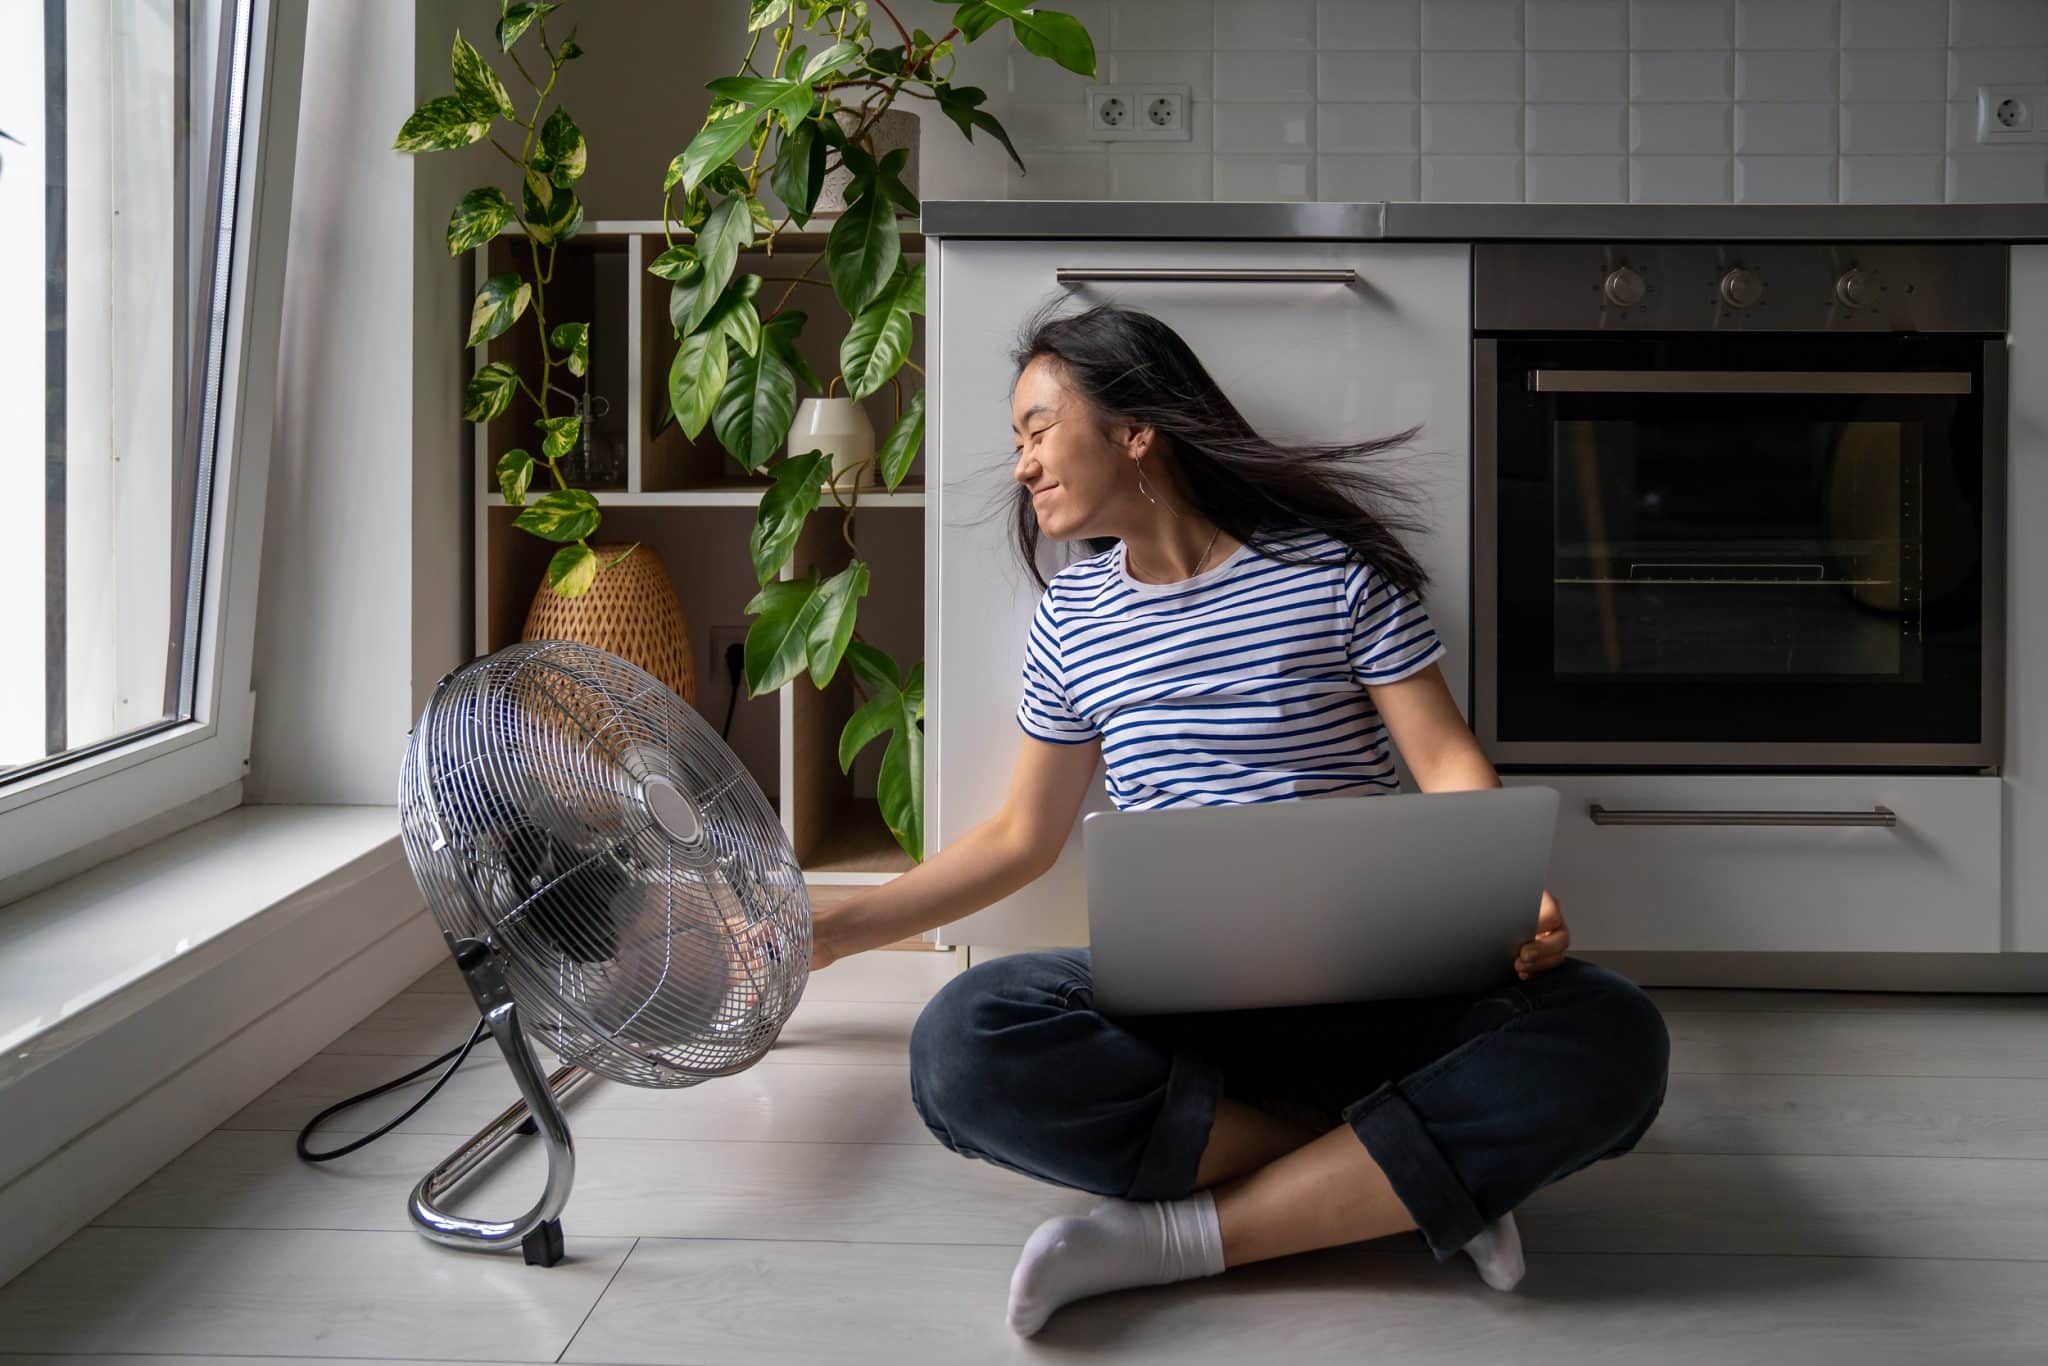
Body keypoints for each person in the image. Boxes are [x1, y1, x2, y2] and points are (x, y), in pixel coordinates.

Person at [807, 303, 1670, 1338]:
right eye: (1016, 442)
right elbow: (1016, 839)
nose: (1022, 464)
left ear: (1135, 430)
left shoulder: (1333, 572)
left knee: (1615, 1035)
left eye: (1037, 429)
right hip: (1188, 1019)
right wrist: (832, 930)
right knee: (959, 1047)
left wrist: (1507, 892)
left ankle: (1179, 1237)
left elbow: (1440, 758)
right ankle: (1406, 1182)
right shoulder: (1071, 622)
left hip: (1388, 993)